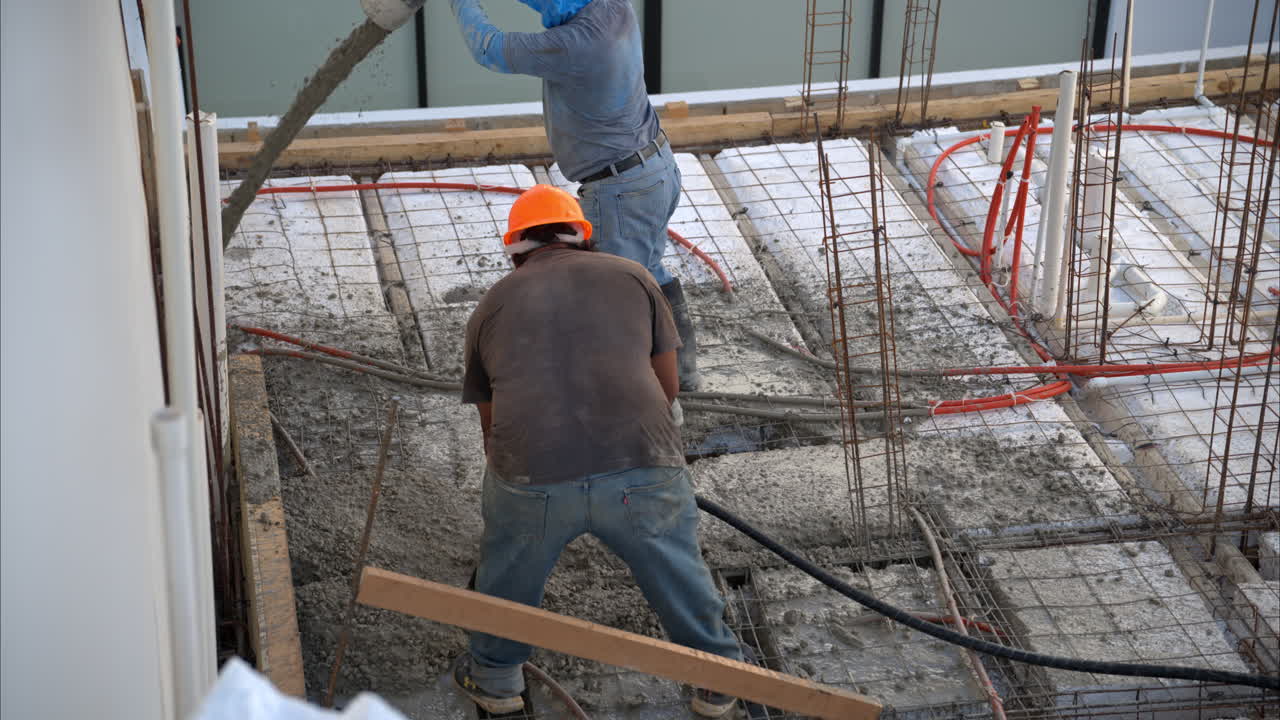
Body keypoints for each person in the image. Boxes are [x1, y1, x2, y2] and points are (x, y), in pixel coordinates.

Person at [452, 185, 741, 717]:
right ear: (583, 234)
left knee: (508, 568)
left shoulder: (491, 304)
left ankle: (495, 681)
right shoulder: (633, 276)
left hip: (533, 477)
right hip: (641, 464)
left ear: (513, 246)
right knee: (678, 568)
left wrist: (520, 489)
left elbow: (491, 427)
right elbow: (668, 387)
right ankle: (717, 680)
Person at [448, 0, 700, 390]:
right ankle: (684, 377)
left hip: (620, 191)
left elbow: (490, 49)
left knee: (617, 303)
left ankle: (659, 409)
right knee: (649, 274)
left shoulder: (574, 44)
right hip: (656, 169)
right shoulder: (616, 7)